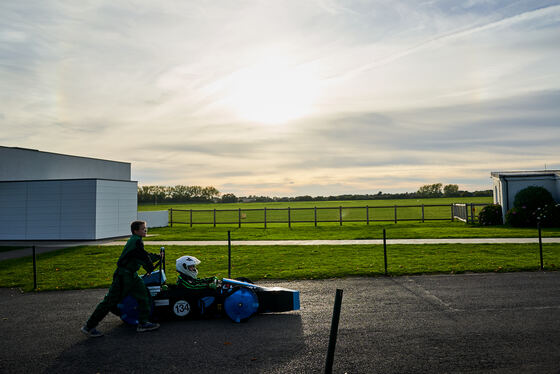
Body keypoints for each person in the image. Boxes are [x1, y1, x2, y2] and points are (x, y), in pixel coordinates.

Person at [81, 220, 162, 337]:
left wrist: (157, 257)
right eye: (143, 228)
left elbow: (142, 255)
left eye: (146, 228)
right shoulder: (135, 242)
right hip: (123, 276)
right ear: (136, 231)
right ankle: (89, 326)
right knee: (109, 301)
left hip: (132, 275)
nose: (145, 230)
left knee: (143, 295)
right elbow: (143, 257)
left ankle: (143, 323)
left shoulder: (136, 241)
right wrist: (149, 267)